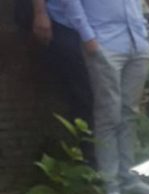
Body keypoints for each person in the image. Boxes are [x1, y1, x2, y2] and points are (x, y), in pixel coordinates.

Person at [59, 0, 149, 194]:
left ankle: (129, 178)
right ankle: (111, 185)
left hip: (137, 42)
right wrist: (87, 36)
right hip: (105, 42)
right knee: (108, 115)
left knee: (130, 113)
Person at [30, 0, 95, 162]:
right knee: (82, 95)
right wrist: (40, 12)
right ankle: (88, 159)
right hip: (64, 23)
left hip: (97, 25)